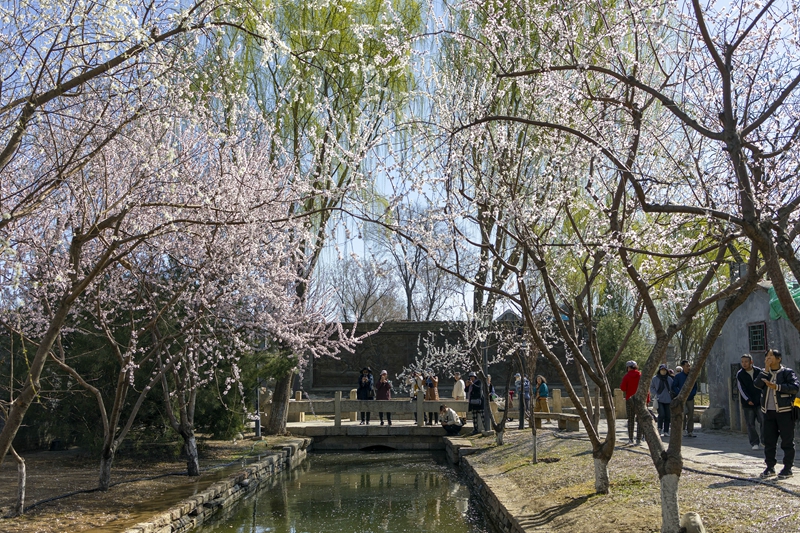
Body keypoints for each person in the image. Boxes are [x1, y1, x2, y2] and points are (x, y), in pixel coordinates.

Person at [754, 349, 799, 479]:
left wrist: (777, 387)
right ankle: (770, 467)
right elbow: (757, 384)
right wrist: (766, 370)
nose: (768, 358)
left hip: (785, 412)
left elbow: (795, 387)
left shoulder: (787, 372)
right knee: (769, 441)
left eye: (771, 355)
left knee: (787, 441)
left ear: (779, 359)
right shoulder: (764, 373)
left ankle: (787, 468)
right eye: (766, 356)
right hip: (768, 412)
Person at [737, 354, 764, 449]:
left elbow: (763, 385)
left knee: (764, 421)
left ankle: (764, 441)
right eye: (742, 362)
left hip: (760, 402)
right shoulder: (740, 374)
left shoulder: (759, 371)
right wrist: (747, 399)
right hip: (747, 403)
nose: (744, 364)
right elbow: (741, 389)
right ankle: (754, 443)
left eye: (746, 361)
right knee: (750, 424)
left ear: (751, 362)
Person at [671, 360, 698, 438]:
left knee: (690, 414)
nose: (688, 367)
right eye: (687, 366)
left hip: (690, 398)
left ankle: (690, 431)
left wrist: (692, 393)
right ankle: (682, 430)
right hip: (682, 399)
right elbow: (674, 386)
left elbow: (695, 386)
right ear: (683, 366)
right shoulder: (678, 376)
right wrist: (679, 394)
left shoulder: (692, 376)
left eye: (689, 366)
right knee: (683, 414)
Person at [620, 361, 643, 445]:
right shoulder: (641, 375)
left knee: (630, 419)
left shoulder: (626, 376)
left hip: (629, 399)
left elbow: (623, 388)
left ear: (628, 367)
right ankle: (639, 439)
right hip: (640, 400)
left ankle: (630, 439)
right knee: (640, 419)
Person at [650, 364, 673, 437]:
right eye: (662, 370)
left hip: (668, 400)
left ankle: (666, 431)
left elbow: (672, 388)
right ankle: (659, 428)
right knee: (662, 414)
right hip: (659, 399)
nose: (663, 371)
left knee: (668, 416)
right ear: (659, 370)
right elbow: (651, 388)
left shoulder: (669, 379)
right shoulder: (655, 378)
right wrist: (656, 393)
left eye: (664, 370)